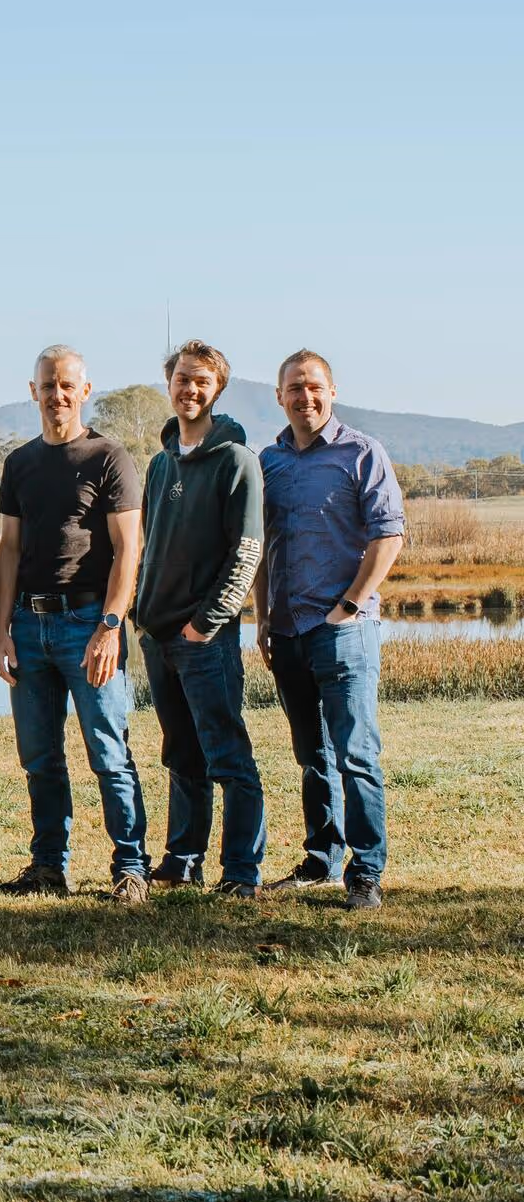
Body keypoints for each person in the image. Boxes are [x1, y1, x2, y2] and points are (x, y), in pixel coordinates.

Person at [0, 346, 151, 902]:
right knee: (40, 756)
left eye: (67, 385)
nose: (56, 395)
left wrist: (110, 625)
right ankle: (47, 866)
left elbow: (128, 550)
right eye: (47, 385)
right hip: (29, 625)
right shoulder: (20, 464)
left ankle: (131, 868)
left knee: (108, 752)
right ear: (32, 391)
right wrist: (1, 628)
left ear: (84, 391)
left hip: (89, 623)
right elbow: (8, 550)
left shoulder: (109, 457)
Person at [254, 349, 405, 910]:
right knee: (311, 754)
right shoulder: (269, 463)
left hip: (342, 629)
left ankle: (365, 872)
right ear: (280, 397)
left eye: (314, 387)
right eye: (294, 388)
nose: (305, 397)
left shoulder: (362, 453)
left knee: (355, 752)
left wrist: (350, 604)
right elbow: (263, 546)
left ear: (332, 391)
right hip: (288, 631)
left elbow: (388, 534)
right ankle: (322, 859)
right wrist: (263, 616)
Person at [132, 341, 266, 897]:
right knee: (181, 753)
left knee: (227, 755)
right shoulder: (160, 464)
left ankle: (240, 871)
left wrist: (205, 624)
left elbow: (248, 552)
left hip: (203, 638)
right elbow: (148, 545)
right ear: (169, 383)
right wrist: (142, 616)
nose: (189, 389)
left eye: (202, 381)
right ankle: (183, 859)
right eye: (182, 378)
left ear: (217, 390)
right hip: (157, 635)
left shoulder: (237, 461)